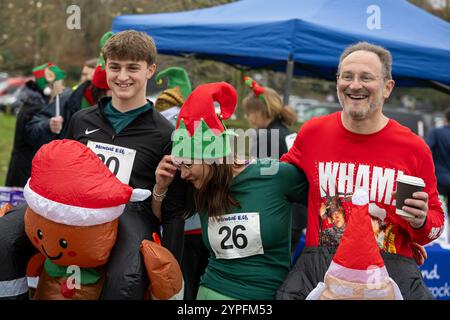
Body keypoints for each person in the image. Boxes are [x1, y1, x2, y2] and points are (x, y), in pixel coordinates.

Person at [277, 42, 444, 300]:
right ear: (337, 83)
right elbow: (279, 182)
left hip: (390, 279)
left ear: (388, 88)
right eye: (347, 76)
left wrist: (420, 221)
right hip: (319, 276)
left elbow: (434, 225)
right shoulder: (313, 134)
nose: (355, 85)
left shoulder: (413, 148)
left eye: (366, 77)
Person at [153, 82, 308, 300]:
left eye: (188, 164)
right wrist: (160, 188)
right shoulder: (201, 186)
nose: (184, 174)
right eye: (181, 166)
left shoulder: (275, 175)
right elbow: (164, 217)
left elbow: (326, 205)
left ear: (213, 157)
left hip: (264, 295)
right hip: (209, 291)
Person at [64, 30, 187, 299]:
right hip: (78, 229)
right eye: (114, 67)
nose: (122, 77)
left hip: (131, 233)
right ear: (105, 67)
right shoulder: (81, 121)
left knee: (124, 283)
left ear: (150, 70)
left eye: (133, 68)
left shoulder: (166, 134)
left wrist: (170, 277)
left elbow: (172, 214)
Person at [242, 76, 307, 256]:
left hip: (278, 218)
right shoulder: (287, 132)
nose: (247, 118)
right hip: (296, 216)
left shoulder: (266, 137)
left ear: (262, 112)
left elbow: (256, 179)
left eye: (249, 113)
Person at [25, 33, 113, 149]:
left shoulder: (123, 108)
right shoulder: (69, 98)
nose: (84, 78)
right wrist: (48, 125)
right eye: (83, 74)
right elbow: (32, 129)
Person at [5, 63, 66, 187]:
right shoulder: (36, 107)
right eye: (61, 82)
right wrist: (48, 126)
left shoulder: (32, 102)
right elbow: (31, 135)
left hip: (23, 165)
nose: (63, 87)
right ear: (50, 85)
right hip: (26, 170)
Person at [426, 108, 450, 214]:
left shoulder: (436, 132)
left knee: (439, 213)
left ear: (445, 119)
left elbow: (425, 150)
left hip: (439, 182)